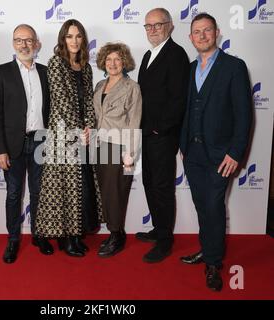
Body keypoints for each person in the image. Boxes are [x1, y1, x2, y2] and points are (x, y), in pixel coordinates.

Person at [179, 13, 252, 291]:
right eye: (197, 32)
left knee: (213, 206)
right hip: (192, 154)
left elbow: (244, 115)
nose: (202, 35)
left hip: (222, 156)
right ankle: (206, 249)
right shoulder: (188, 69)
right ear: (191, 37)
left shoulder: (234, 67)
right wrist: (183, 146)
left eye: (207, 30)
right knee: (201, 205)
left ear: (217, 32)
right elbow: (186, 110)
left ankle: (213, 262)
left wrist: (235, 152)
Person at [35, 19, 102, 257]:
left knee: (81, 186)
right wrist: (77, 131)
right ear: (63, 39)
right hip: (63, 134)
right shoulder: (55, 63)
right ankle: (66, 238)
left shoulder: (86, 66)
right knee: (64, 187)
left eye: (78, 36)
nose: (74, 41)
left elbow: (89, 102)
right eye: (69, 36)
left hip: (83, 134)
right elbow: (61, 101)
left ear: (83, 39)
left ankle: (75, 234)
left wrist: (90, 127)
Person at [0, 24, 52, 263]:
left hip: (40, 142)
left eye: (29, 40)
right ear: (13, 44)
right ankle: (13, 240)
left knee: (38, 192)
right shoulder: (2, 72)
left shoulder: (46, 72)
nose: (24, 45)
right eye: (19, 40)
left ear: (36, 44)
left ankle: (39, 235)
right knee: (14, 194)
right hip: (12, 145)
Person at [136, 8, 190, 262]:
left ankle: (165, 240)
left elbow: (179, 99)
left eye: (158, 24)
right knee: (149, 182)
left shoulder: (176, 54)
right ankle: (158, 229)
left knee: (162, 186)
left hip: (162, 135)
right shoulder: (148, 55)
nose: (153, 29)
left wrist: (160, 128)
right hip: (145, 134)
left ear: (169, 26)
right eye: (148, 26)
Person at [93, 43, 142, 257]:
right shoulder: (99, 85)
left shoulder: (132, 87)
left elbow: (134, 121)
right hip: (99, 146)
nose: (113, 64)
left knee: (116, 193)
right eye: (109, 59)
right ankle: (114, 231)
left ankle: (117, 235)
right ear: (104, 62)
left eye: (117, 59)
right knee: (105, 192)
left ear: (124, 62)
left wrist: (130, 153)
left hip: (120, 147)